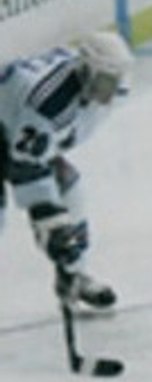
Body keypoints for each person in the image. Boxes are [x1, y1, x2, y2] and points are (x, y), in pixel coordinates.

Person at [0, 29, 135, 312]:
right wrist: (50, 225)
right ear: (85, 71)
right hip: (7, 126)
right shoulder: (50, 103)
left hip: (19, 129)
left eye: (115, 81)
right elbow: (25, 167)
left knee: (70, 188)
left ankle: (74, 276)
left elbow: (38, 149)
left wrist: (59, 232)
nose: (110, 90)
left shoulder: (112, 89)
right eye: (104, 80)